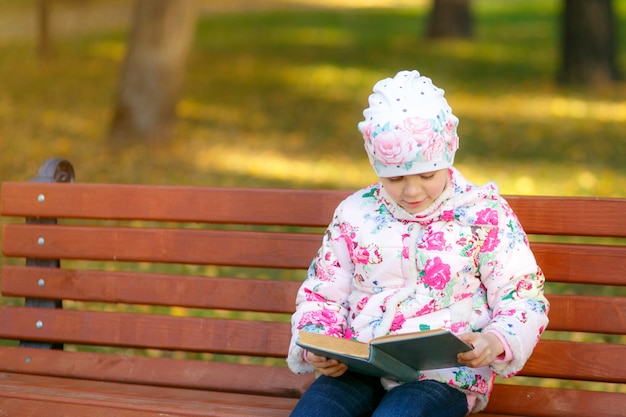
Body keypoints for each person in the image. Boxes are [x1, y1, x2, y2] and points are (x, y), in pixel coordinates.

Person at [286, 70, 549, 416]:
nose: (412, 192)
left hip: (443, 376)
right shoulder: (355, 214)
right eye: (395, 179)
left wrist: (495, 340)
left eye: (428, 175)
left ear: (448, 157)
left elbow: (523, 295)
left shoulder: (483, 215)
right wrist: (319, 345)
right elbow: (323, 293)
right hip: (359, 365)